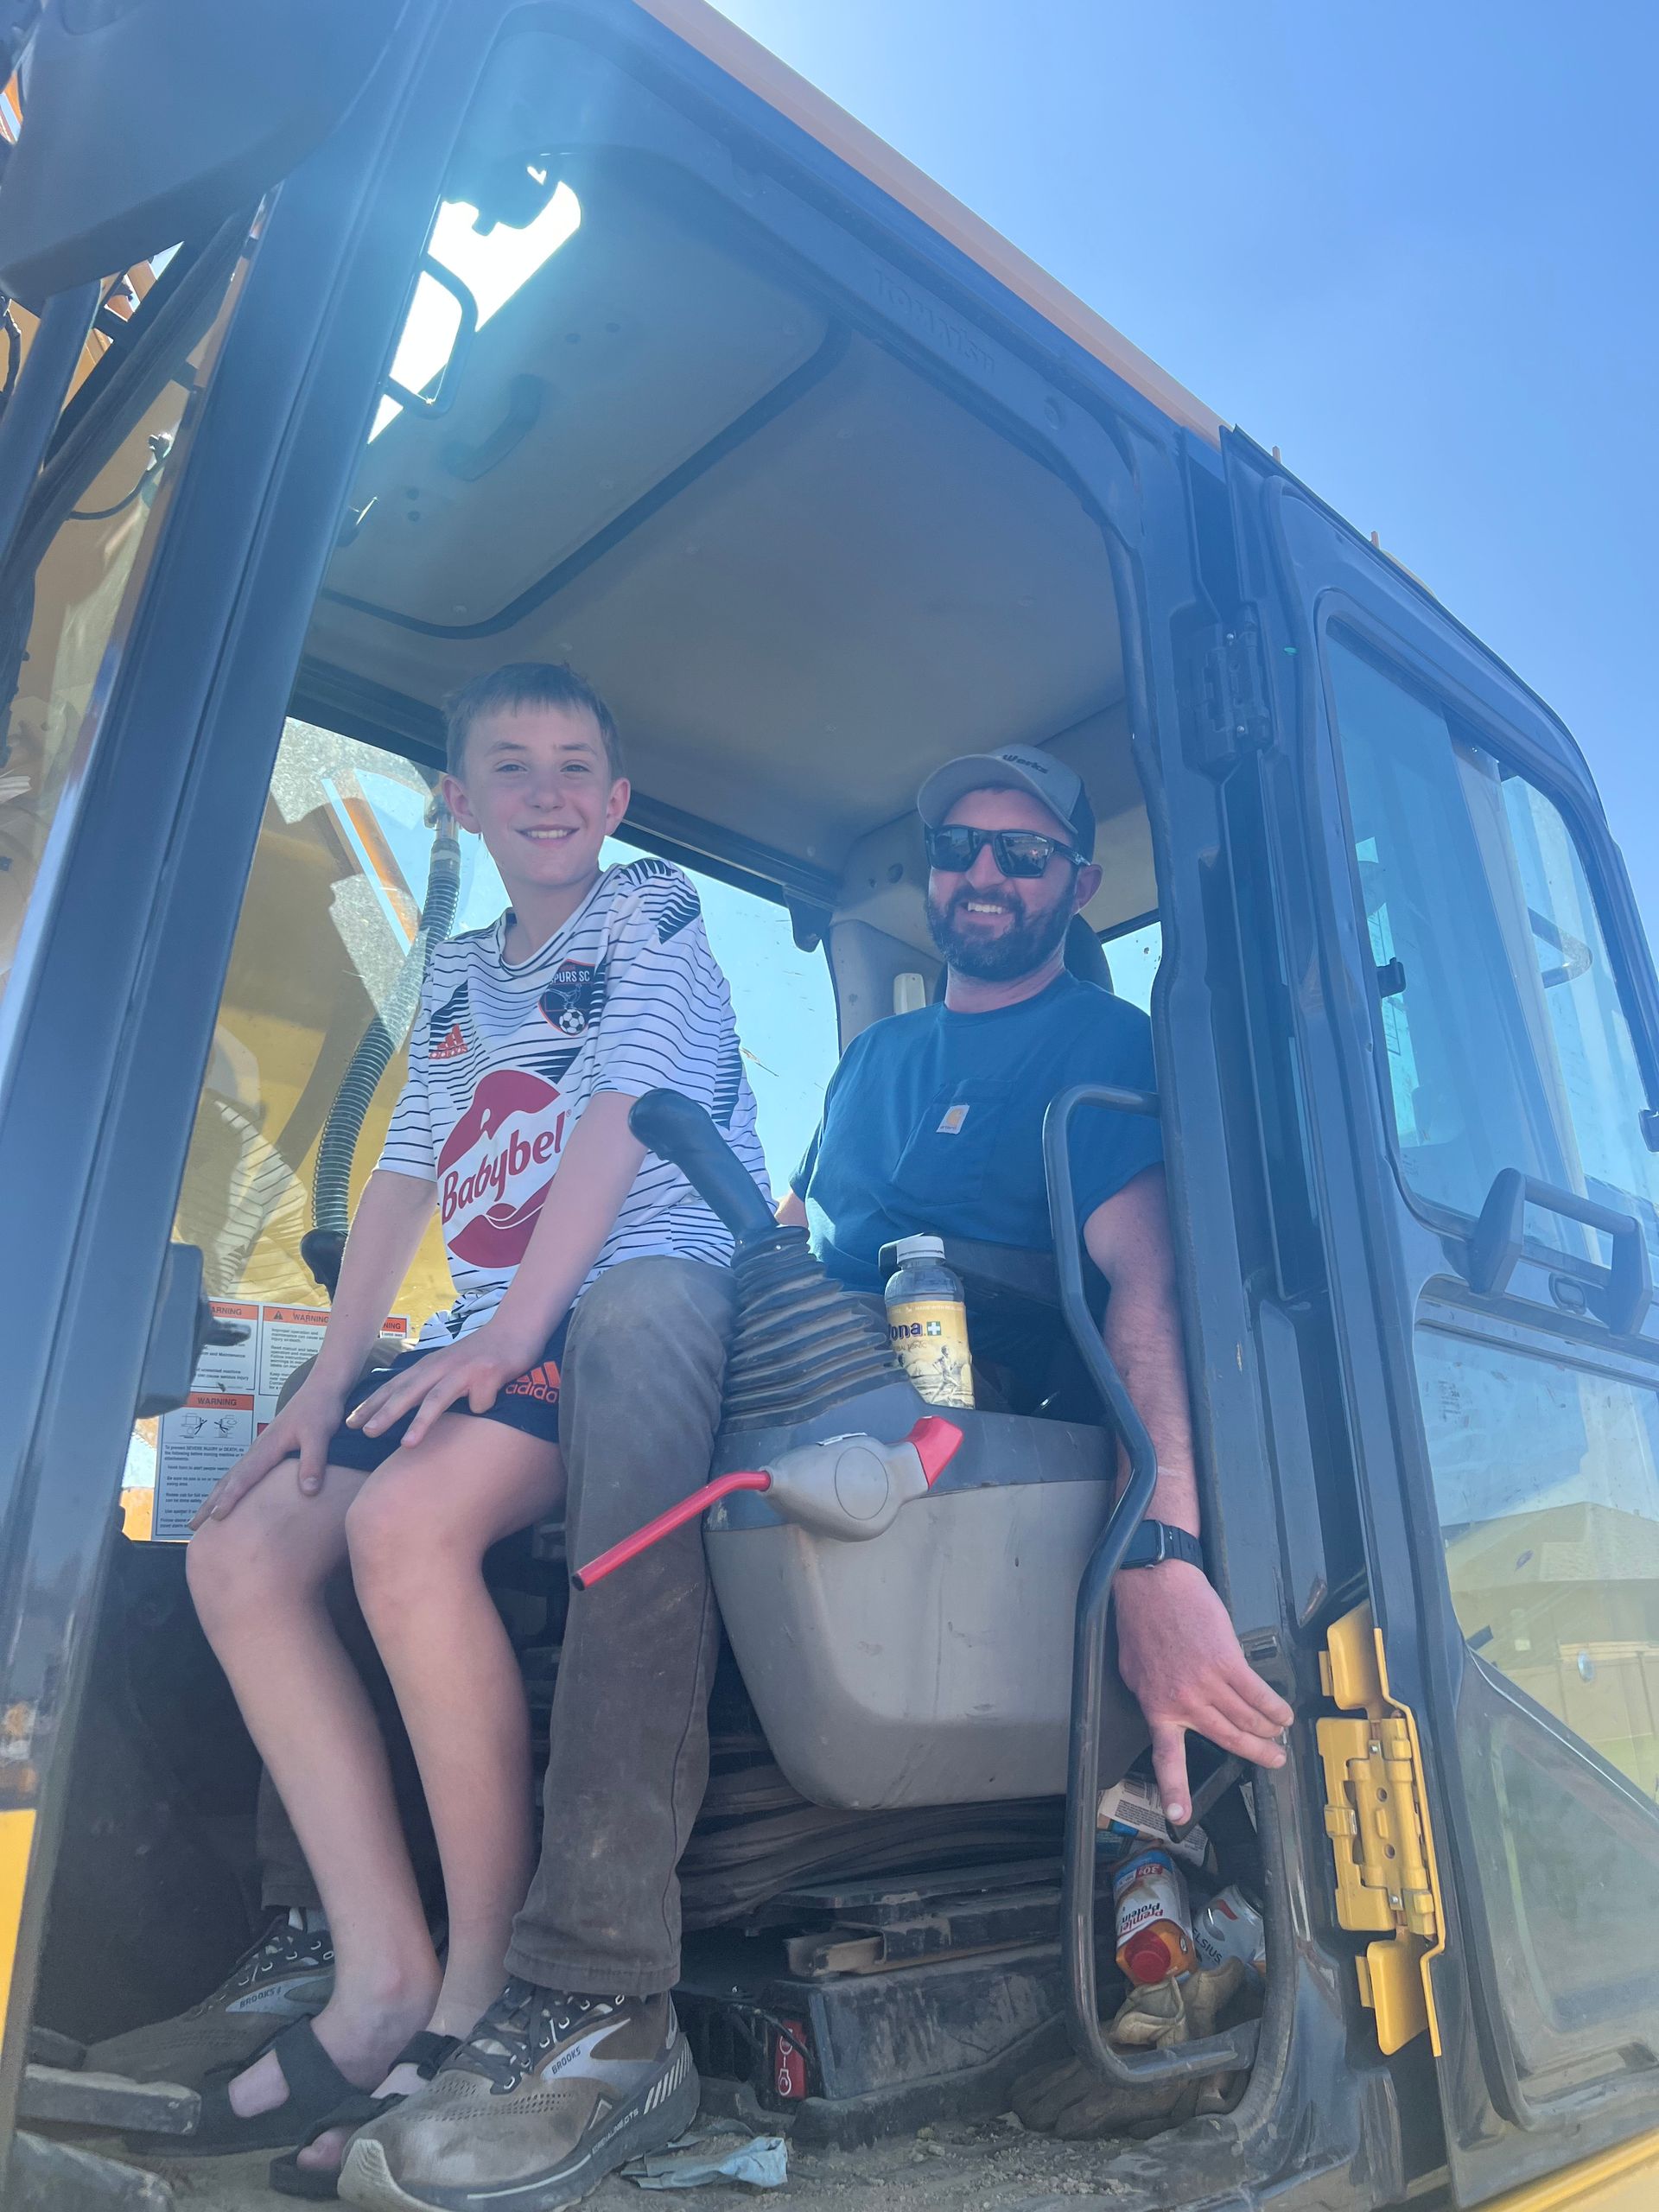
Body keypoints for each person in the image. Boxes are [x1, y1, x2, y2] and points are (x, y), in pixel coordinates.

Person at [176, 662, 764, 2194]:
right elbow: (406, 1176)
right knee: (239, 1551)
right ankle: (374, 1973)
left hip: (630, 1311)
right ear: (460, 803)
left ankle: (486, 1988)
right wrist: (332, 1377)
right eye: (512, 767)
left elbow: (628, 1111)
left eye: (579, 764)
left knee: (402, 1524)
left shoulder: (654, 917)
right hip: (492, 1335)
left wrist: (509, 1337)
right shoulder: (453, 970)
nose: (551, 790)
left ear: (619, 801)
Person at [777, 744, 1293, 1831]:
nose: (985, 874)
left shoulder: (1107, 1044)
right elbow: (794, 1227)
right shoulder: (872, 1060)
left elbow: (1148, 1286)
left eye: (1023, 852)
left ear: (1078, 885)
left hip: (953, 1408)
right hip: (789, 1366)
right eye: (960, 849)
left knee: (638, 1325)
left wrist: (1156, 1552)